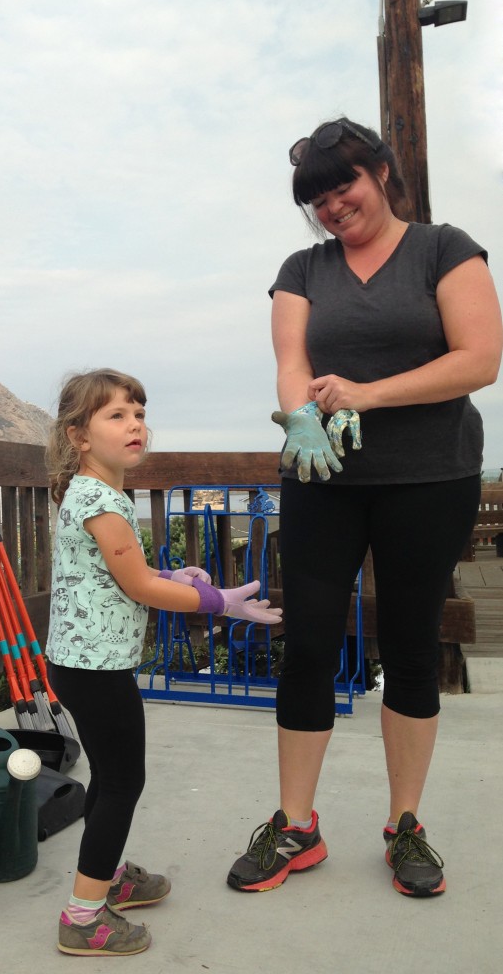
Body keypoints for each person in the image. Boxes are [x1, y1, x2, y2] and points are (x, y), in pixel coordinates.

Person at [226, 117, 502, 898]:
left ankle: (405, 825)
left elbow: (477, 359)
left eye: (340, 184)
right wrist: (299, 415)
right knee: (308, 643)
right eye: (314, 197)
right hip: (322, 479)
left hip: (428, 476)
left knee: (411, 644)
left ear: (379, 170)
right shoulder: (301, 268)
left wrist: (365, 396)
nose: (330, 205)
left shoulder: (445, 248)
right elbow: (292, 362)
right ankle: (294, 825)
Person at [45, 368, 282, 955]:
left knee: (109, 773)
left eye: (139, 413)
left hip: (83, 664)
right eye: (117, 416)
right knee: (126, 780)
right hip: (95, 671)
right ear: (79, 435)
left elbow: (123, 577)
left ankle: (107, 876)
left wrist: (174, 575)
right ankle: (83, 915)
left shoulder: (96, 492)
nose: (135, 426)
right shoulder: (102, 499)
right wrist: (216, 601)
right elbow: (138, 586)